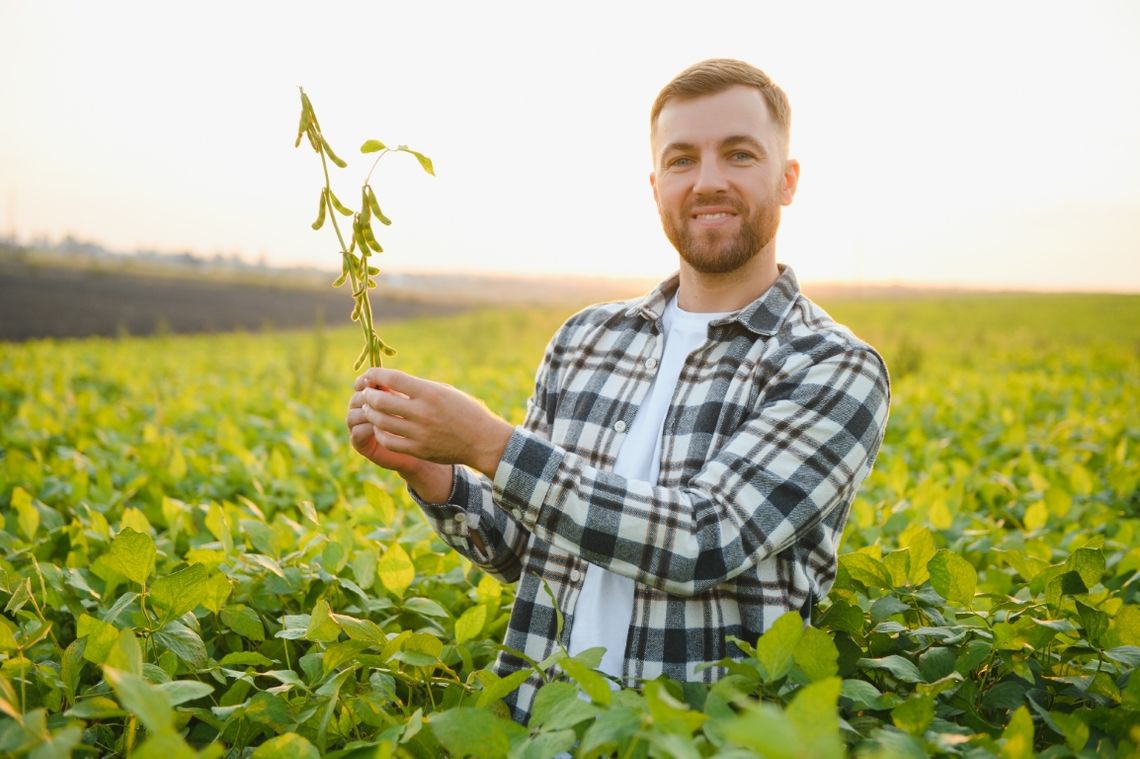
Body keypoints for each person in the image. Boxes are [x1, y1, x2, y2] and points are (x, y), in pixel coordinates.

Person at [345, 58, 890, 724]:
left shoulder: (831, 365)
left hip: (695, 738)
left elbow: (703, 539)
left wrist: (490, 444)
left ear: (788, 179)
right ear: (656, 183)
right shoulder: (585, 339)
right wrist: (435, 474)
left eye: (739, 154)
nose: (708, 181)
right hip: (539, 727)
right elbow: (525, 550)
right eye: (683, 159)